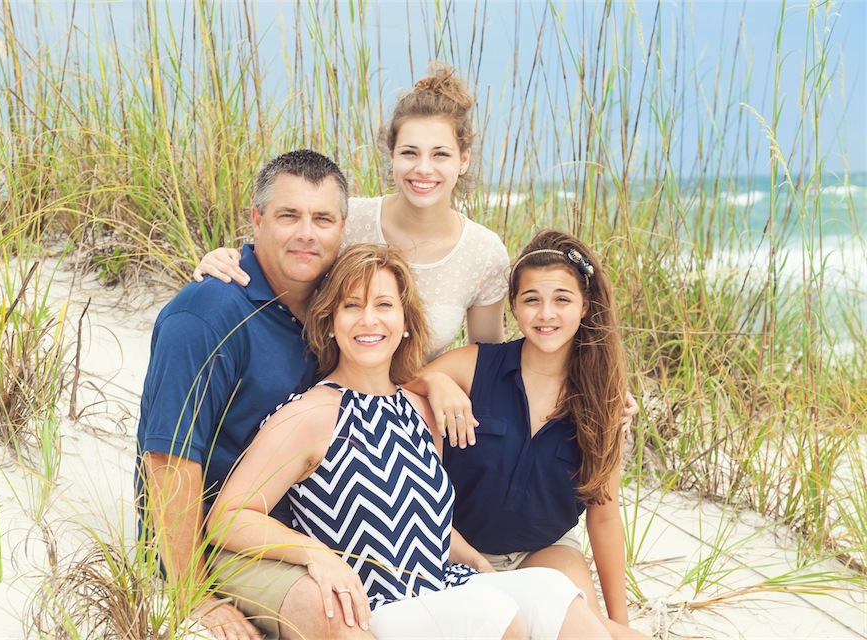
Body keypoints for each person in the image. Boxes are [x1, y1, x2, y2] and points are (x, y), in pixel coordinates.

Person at [206, 243, 612, 639]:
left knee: (551, 591)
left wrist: (472, 560)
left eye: (384, 305)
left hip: (442, 588)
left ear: (404, 324)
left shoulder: (421, 411)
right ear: (330, 322)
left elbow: (420, 521)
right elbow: (228, 515)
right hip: (378, 609)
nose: (369, 320)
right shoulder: (312, 414)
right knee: (491, 615)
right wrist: (313, 555)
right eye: (351, 306)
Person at [136, 150, 367, 640]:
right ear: (257, 220)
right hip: (215, 539)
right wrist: (192, 590)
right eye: (289, 216)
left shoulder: (335, 305)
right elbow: (170, 458)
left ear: (343, 228)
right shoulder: (207, 313)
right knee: (334, 614)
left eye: (322, 218)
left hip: (297, 527)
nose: (307, 233)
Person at [408, 230, 650, 639]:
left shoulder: (604, 401)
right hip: (458, 555)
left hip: (544, 553)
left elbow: (604, 516)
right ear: (514, 308)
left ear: (584, 306)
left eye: (562, 299)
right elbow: (395, 379)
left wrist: (619, 623)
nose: (546, 314)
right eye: (531, 299)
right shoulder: (475, 367)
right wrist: (435, 382)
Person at [193, 62, 509, 366]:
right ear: (392, 156)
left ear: (464, 160)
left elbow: (485, 360)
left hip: (417, 408)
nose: (423, 168)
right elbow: (277, 262)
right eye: (409, 152)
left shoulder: (484, 251)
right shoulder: (347, 219)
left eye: (440, 154)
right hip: (320, 391)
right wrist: (224, 258)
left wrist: (434, 381)